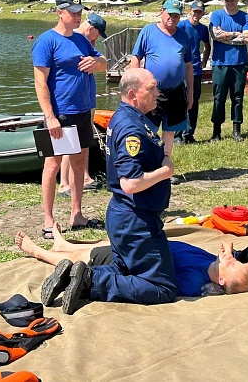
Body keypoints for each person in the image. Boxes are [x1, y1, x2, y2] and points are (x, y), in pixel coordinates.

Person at [48, 68, 180, 314]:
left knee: (125, 271)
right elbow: (130, 182)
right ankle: (92, 281)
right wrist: (165, 171)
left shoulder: (127, 118)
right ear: (133, 94)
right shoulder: (131, 129)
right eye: (151, 89)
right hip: (136, 219)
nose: (157, 94)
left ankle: (75, 275)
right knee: (163, 287)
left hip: (125, 216)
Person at [32, 0, 107, 238]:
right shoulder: (46, 42)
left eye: (79, 12)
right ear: (59, 13)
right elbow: (40, 82)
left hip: (83, 111)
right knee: (52, 165)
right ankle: (48, 220)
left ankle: (77, 214)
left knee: (78, 162)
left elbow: (103, 61)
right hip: (60, 114)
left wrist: (97, 64)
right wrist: (50, 116)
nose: (77, 16)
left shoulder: (80, 40)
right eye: (72, 12)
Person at [14, 227, 248, 301]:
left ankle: (39, 253)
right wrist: (229, 254)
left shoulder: (194, 281)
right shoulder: (212, 262)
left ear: (221, 281)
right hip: (146, 247)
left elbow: (162, 282)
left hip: (136, 259)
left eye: (233, 265)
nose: (233, 260)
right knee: (96, 248)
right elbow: (230, 252)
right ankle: (63, 244)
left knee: (89, 257)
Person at [130, 0, 193, 184]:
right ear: (161, 12)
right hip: (153, 91)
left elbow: (188, 65)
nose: (172, 18)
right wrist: (136, 87)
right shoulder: (148, 31)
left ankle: (164, 168)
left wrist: (190, 93)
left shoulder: (183, 35)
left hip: (177, 91)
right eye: (170, 14)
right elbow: (136, 58)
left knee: (170, 131)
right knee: (148, 129)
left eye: (176, 15)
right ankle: (145, 167)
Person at [57, 12, 108, 198]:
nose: (98, 39)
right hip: (69, 104)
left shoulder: (84, 42)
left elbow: (104, 63)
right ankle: (63, 183)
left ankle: (84, 177)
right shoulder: (69, 40)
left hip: (86, 99)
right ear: (91, 28)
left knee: (83, 141)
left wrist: (96, 61)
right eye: (98, 34)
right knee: (68, 144)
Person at [209, 0, 248, 142]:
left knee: (238, 97)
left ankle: (236, 130)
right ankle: (216, 132)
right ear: (223, 1)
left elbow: (247, 38)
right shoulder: (216, 15)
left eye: (233, 0)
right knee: (218, 98)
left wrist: (227, 35)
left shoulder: (245, 17)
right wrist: (237, 34)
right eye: (227, 0)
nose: (230, 3)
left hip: (240, 63)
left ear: (237, 0)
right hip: (220, 63)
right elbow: (215, 34)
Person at [174, 0, 211, 144]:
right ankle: (177, 135)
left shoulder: (203, 29)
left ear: (203, 13)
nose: (197, 14)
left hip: (196, 71)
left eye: (200, 12)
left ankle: (189, 134)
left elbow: (207, 46)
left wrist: (204, 61)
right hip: (181, 70)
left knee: (193, 102)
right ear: (190, 11)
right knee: (179, 102)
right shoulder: (181, 26)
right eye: (195, 11)